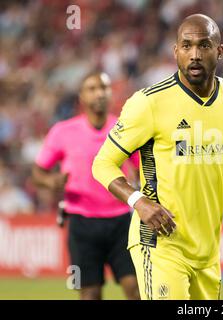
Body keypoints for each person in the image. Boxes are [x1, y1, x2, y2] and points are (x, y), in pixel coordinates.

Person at [92, 14, 223, 300]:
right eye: (186, 46)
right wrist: (138, 202)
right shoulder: (148, 103)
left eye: (204, 45)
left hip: (208, 251)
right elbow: (102, 163)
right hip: (160, 242)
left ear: (219, 51)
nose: (195, 54)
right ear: (176, 51)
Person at [32, 71, 140, 300]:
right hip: (81, 224)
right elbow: (38, 172)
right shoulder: (62, 131)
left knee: (136, 289)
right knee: (89, 294)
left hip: (122, 222)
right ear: (81, 96)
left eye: (104, 88)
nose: (99, 93)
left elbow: (143, 167)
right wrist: (52, 181)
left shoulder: (125, 129)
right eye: (92, 89)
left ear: (111, 93)